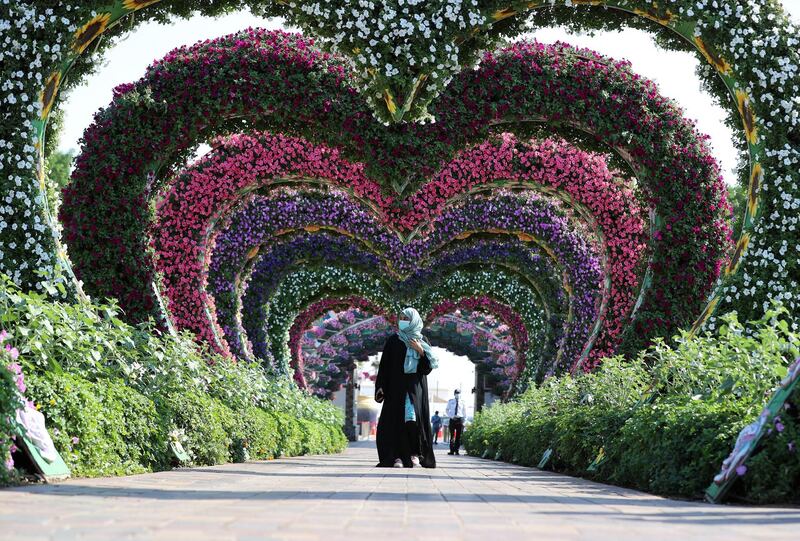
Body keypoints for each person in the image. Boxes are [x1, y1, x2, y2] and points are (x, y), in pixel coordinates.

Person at [374, 307, 438, 468]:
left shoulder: (422, 341)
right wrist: (381, 387)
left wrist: (421, 351)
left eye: (406, 318)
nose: (402, 321)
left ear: (414, 321)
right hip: (395, 389)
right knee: (396, 421)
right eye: (401, 317)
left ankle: (415, 454)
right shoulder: (393, 341)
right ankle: (397, 457)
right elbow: (384, 367)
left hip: (415, 389)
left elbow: (427, 369)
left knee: (413, 420)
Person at [446, 389, 466, 455]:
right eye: (456, 393)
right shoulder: (450, 401)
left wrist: (464, 421)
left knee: (458, 436)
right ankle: (451, 451)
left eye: (459, 393)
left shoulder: (463, 402)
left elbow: (464, 412)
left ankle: (457, 450)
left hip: (459, 419)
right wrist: (451, 416)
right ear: (454, 394)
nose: (458, 394)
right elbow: (447, 410)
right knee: (452, 436)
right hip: (452, 419)